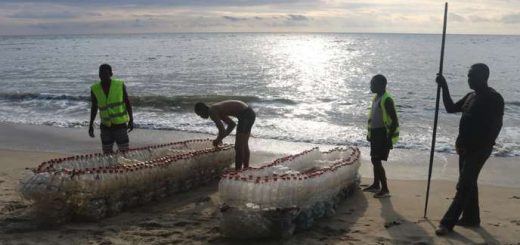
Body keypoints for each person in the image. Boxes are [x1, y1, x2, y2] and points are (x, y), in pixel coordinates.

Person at [435, 63, 504, 235]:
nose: (469, 79)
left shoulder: (494, 98)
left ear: (484, 77)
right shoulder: (470, 96)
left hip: (479, 149)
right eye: (468, 76)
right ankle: (471, 217)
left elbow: (497, 125)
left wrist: (484, 146)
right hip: (464, 147)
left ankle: (447, 222)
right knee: (469, 182)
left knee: (463, 184)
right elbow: (451, 108)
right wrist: (444, 86)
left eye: (472, 76)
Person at [363, 74, 399, 198]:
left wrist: (388, 140)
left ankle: (385, 189)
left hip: (383, 134)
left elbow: (395, 121)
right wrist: (370, 134)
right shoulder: (376, 97)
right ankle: (375, 184)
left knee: (376, 160)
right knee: (374, 159)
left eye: (373, 84)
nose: (371, 86)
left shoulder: (387, 99)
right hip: (375, 133)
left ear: (381, 85)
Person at [194, 100, 255, 171]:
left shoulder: (212, 111)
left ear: (202, 109)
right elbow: (232, 124)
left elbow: (222, 130)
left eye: (199, 114)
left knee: (238, 147)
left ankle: (238, 171)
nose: (201, 117)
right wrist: (221, 137)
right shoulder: (216, 109)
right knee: (243, 144)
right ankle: (245, 168)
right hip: (249, 113)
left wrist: (218, 140)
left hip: (245, 115)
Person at [88, 64, 134, 154]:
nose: (102, 76)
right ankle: (111, 166)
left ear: (111, 74)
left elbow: (127, 102)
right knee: (107, 152)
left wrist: (131, 120)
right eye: (100, 74)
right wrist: (91, 124)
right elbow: (94, 107)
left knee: (124, 151)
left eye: (105, 73)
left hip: (120, 125)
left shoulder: (119, 85)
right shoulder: (95, 88)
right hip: (105, 126)